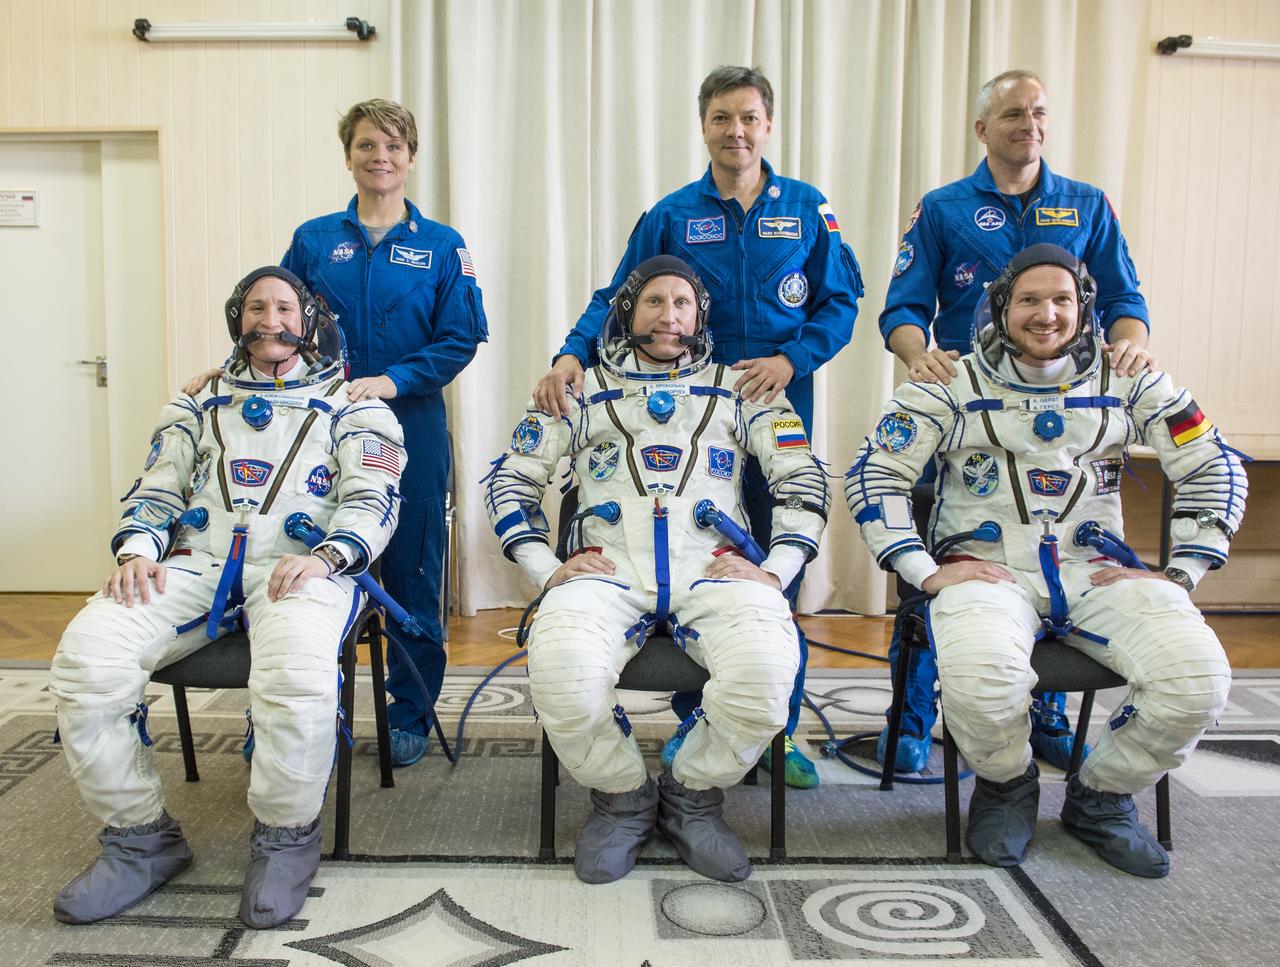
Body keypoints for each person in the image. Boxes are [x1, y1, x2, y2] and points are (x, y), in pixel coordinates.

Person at [847, 244, 1243, 876]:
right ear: (1000, 309)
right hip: (987, 571)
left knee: (1197, 680)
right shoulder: (950, 382)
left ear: (1084, 309)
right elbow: (873, 477)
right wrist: (924, 570)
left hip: (1098, 571)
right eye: (1029, 300)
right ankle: (1007, 786)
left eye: (1062, 299)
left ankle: (1102, 797)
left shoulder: (1131, 379)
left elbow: (1214, 466)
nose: (1046, 314)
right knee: (979, 681)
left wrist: (1181, 571)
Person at [532, 66, 863, 788]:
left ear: (768, 124)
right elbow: (617, 295)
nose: (735, 130)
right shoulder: (674, 213)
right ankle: (698, 714)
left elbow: (841, 301)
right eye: (721, 118)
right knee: (685, 556)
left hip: (771, 400)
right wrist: (569, 354)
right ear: (704, 125)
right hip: (680, 416)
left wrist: (790, 357)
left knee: (770, 569)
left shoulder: (808, 209)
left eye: (748, 117)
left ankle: (778, 729)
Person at [50, 267, 406, 927]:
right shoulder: (194, 404)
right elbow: (155, 491)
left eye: (283, 307)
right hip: (196, 561)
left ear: (308, 322)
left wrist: (329, 556)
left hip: (304, 565)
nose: (269, 318)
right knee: (86, 658)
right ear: (236, 319)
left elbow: (372, 501)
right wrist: (137, 552)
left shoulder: (356, 404)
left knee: (296, 674)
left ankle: (284, 839)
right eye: (254, 306)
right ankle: (140, 839)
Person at [489, 256, 828, 883]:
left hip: (715, 571)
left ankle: (692, 795)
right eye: (653, 302)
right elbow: (510, 482)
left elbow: (801, 478)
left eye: (681, 303)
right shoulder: (578, 389)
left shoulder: (744, 387)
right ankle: (621, 797)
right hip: (606, 570)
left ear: (699, 315)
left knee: (767, 672)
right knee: (561, 673)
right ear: (627, 312)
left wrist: (776, 570)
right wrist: (547, 566)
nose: (668, 315)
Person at [187, 99, 488, 766]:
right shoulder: (315, 239)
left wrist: (394, 379)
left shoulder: (443, 246)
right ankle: (295, 704)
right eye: (365, 145)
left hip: (410, 424)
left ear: (410, 157)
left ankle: (408, 711)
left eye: (391, 145)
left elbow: (463, 336)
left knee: (410, 571)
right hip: (314, 432)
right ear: (347, 155)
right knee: (300, 565)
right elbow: (276, 320)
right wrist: (229, 367)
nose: (379, 156)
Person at [874, 69, 1155, 774]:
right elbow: (902, 309)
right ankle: (909, 718)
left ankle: (1045, 713)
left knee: (1058, 557)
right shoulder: (942, 208)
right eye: (1011, 115)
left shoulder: (1086, 204)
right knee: (939, 559)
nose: (1028, 125)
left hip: (1066, 421)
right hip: (970, 421)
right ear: (982, 130)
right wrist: (922, 357)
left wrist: (1133, 346)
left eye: (1037, 113)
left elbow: (1125, 299)